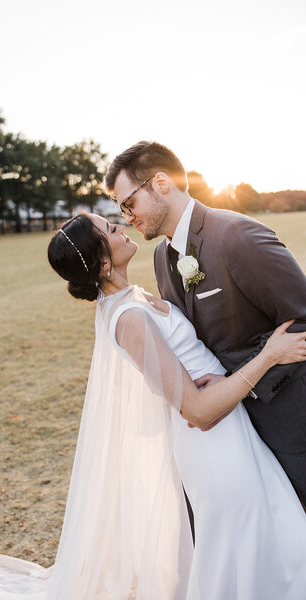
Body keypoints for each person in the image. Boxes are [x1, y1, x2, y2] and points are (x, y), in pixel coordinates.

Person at [0, 212, 305, 599]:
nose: (123, 225)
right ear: (101, 260)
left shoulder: (134, 297)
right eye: (112, 228)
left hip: (232, 429)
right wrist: (269, 355)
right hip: (215, 446)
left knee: (272, 535)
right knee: (247, 547)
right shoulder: (127, 318)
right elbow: (197, 411)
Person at [105, 140, 306, 509]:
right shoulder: (163, 257)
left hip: (293, 423)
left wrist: (240, 379)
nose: (127, 218)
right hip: (234, 434)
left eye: (129, 203)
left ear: (161, 183)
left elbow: (302, 318)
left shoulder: (237, 236)